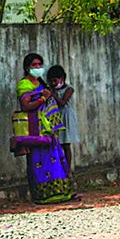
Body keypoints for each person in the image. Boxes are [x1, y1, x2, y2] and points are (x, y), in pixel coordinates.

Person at [15, 53, 74, 204]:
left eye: (39, 65)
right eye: (34, 65)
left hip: (48, 128)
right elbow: (25, 106)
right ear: (27, 67)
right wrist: (43, 98)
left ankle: (59, 193)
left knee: (54, 159)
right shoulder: (24, 85)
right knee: (36, 161)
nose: (37, 67)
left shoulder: (41, 83)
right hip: (35, 129)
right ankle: (40, 196)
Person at [47, 65, 80, 173]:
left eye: (55, 80)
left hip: (66, 118)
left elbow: (62, 103)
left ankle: (68, 170)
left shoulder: (69, 89)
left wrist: (52, 94)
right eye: (51, 81)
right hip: (56, 117)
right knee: (57, 145)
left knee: (66, 144)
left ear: (61, 78)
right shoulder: (52, 89)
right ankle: (59, 170)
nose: (53, 83)